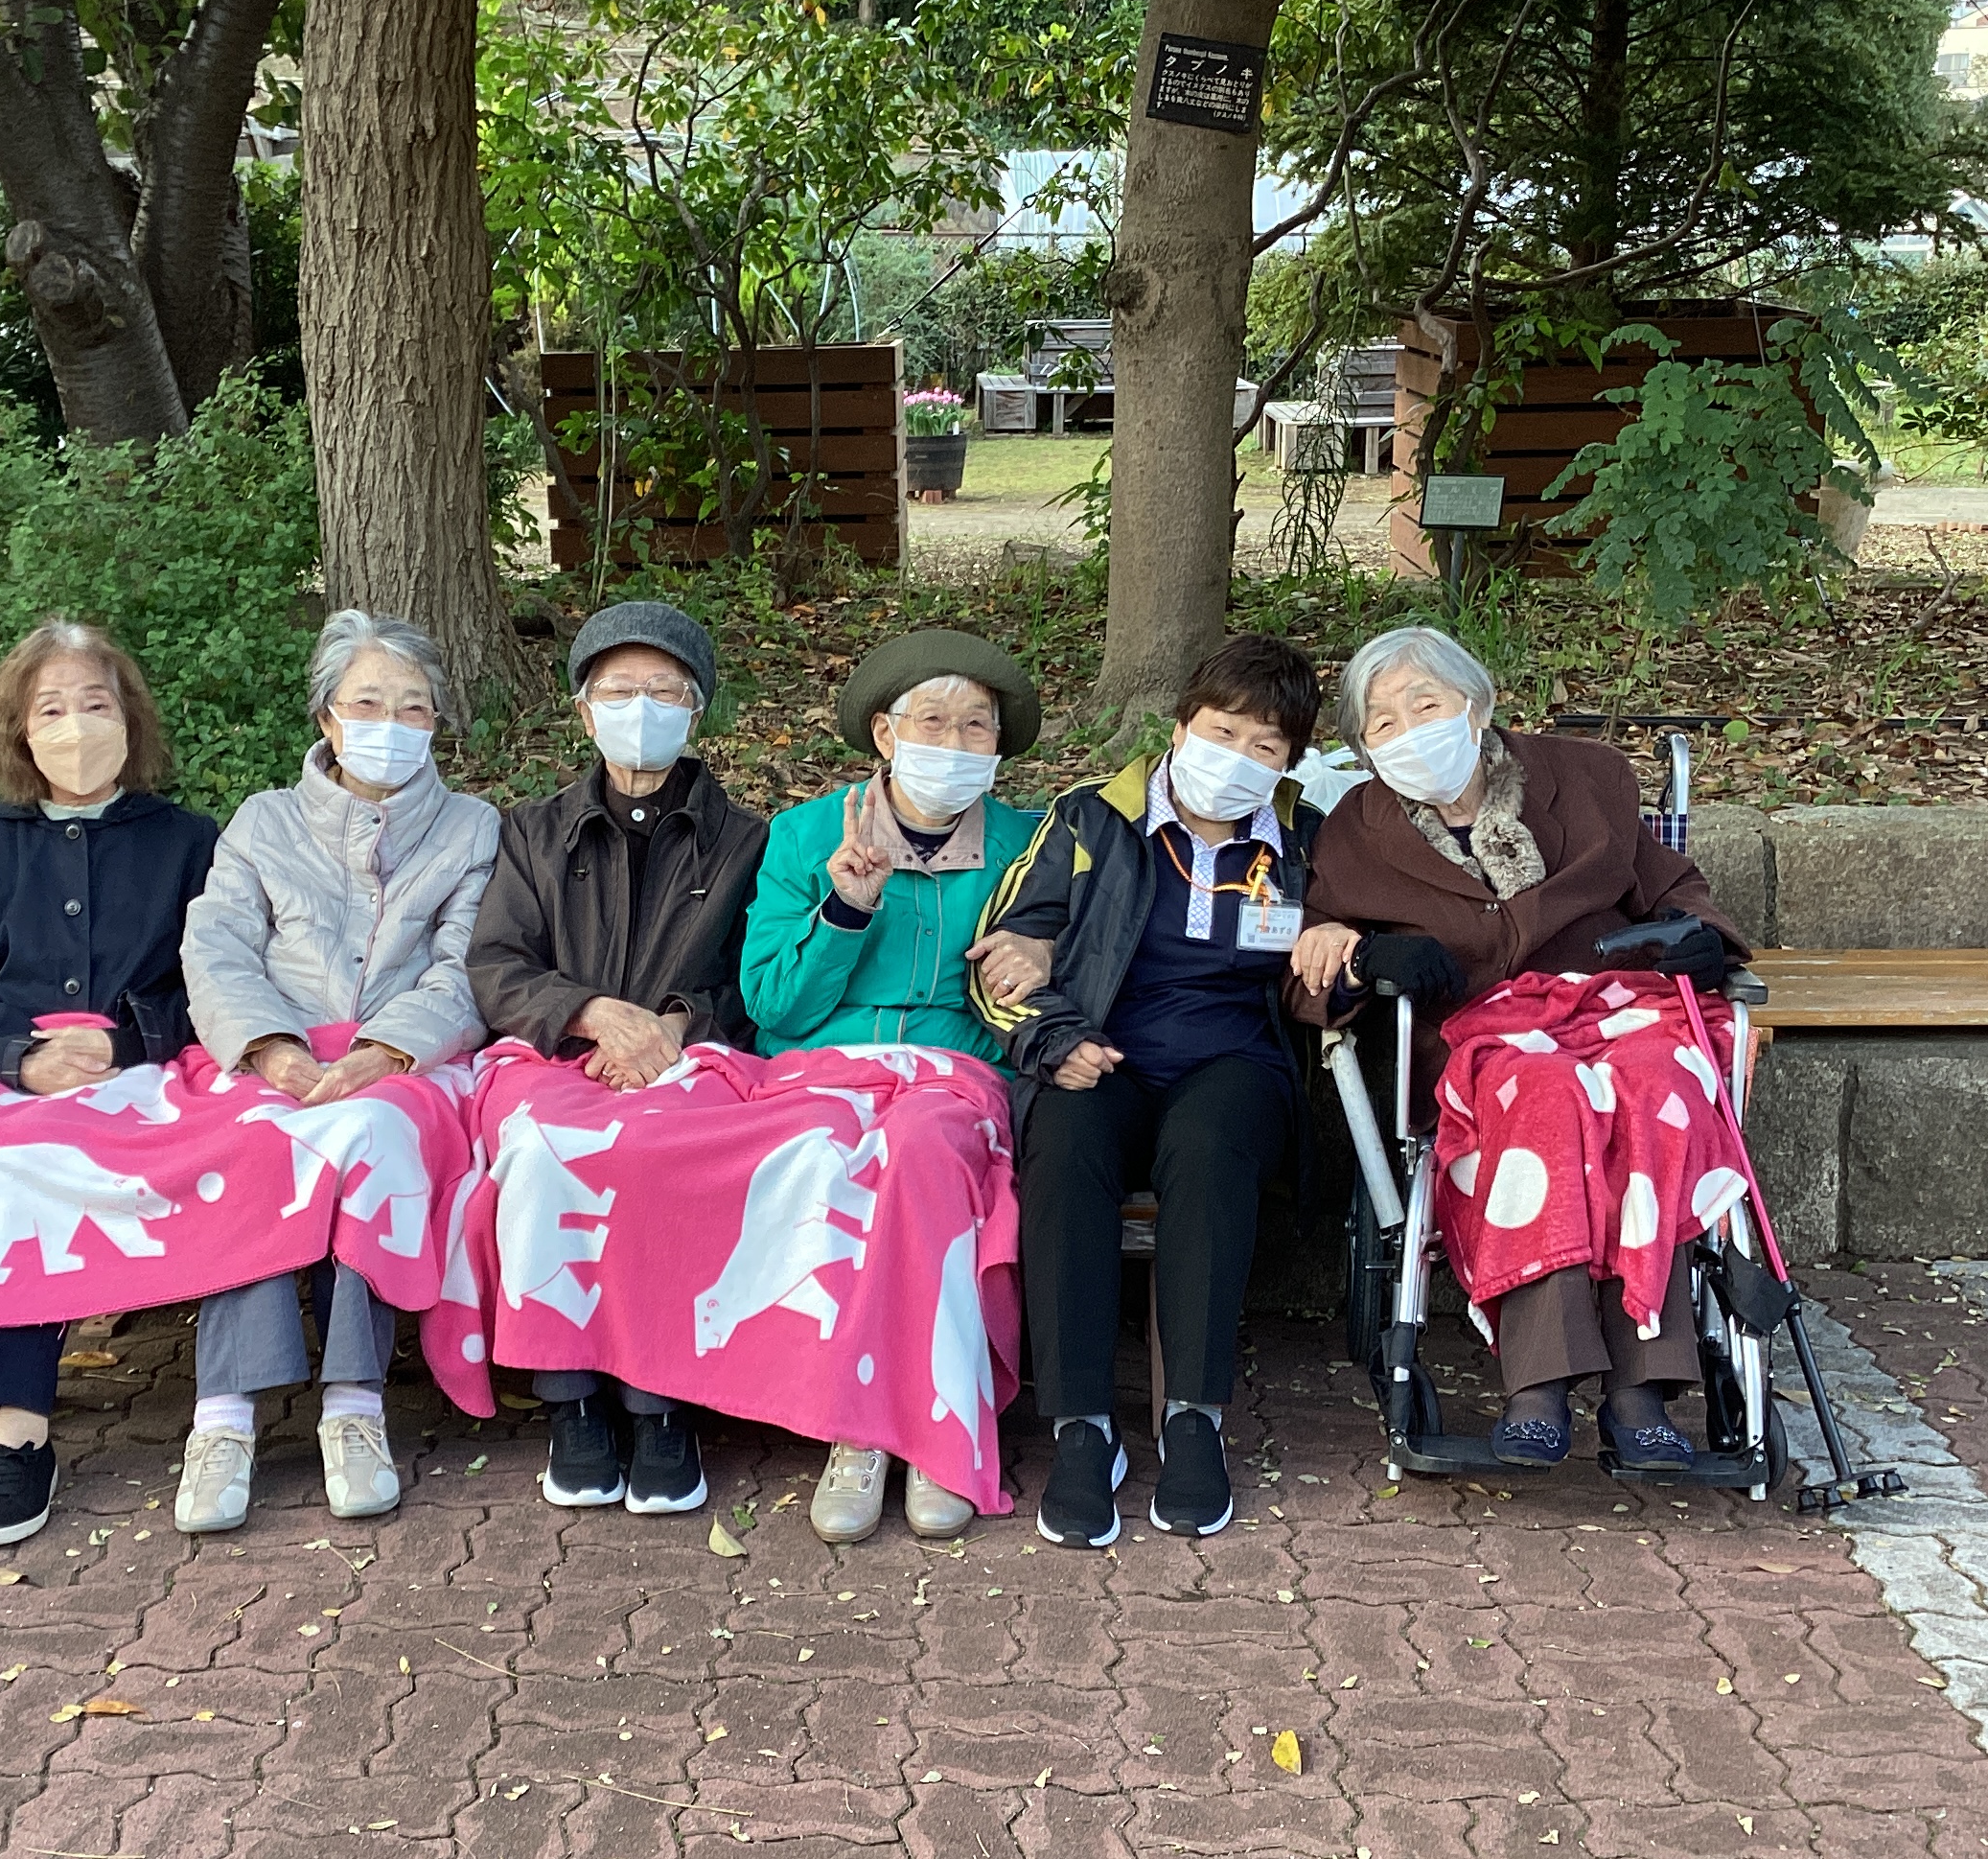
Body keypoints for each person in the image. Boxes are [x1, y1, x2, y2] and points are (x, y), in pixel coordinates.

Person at [1290, 623, 1748, 1472]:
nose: (1408, 731)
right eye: (1381, 723)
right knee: (1540, 1095)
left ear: (1478, 704)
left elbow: (1674, 888)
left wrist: (1704, 938)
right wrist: (1361, 955)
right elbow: (1311, 961)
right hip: (1482, 1031)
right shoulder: (1357, 827)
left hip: (1615, 1004)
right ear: (1363, 749)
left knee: (1655, 1087)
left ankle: (1640, 1389)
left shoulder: (1586, 779)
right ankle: (1538, 1383)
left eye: (1425, 704)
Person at [972, 634, 1326, 1548]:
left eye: (1267, 747)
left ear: (1291, 763)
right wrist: (1055, 1039)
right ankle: (1082, 1428)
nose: (1238, 760)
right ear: (1180, 727)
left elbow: (1343, 957)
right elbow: (1001, 956)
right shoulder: (1090, 822)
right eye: (1222, 732)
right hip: (1102, 1050)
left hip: (1235, 1060)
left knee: (1211, 1149)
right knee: (1067, 1144)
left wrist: (1344, 963)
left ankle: (1194, 1421)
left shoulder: (1305, 842)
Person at [0, 619, 219, 1550]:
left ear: (129, 717)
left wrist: (126, 1044)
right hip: (2, 1066)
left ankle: (22, 1427)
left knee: (34, 1161)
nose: (76, 725)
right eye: (52, 708)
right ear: (19, 730)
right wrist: (20, 1060)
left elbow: (210, 981)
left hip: (135, 1071)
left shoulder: (188, 840)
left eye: (94, 702)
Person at [174, 611, 499, 1533]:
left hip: (407, 1062)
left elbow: (464, 965)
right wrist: (270, 1047)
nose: (389, 723)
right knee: (258, 1143)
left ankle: (354, 1404)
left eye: (413, 708)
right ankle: (223, 1417)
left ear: (436, 724)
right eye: (367, 702)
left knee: (366, 1140)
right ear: (327, 716)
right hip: (271, 1052)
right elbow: (219, 948)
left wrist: (385, 1051)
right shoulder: (263, 821)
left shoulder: (474, 828)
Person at [739, 628, 1042, 1542]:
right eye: (932, 723)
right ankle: (859, 1430)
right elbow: (774, 1003)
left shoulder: (1033, 844)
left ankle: (938, 1431)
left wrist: (1043, 950)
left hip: (958, 1072)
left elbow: (1076, 969)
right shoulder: (803, 835)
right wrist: (845, 908)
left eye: (976, 728)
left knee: (920, 1150)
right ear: (884, 732)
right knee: (831, 1154)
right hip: (823, 1067)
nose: (953, 746)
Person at [467, 600, 768, 1517]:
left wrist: (677, 1025)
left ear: (698, 709)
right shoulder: (531, 831)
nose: (643, 708)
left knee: (665, 1154)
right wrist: (592, 1013)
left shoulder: (749, 837)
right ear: (584, 712)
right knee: (541, 1153)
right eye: (620, 691)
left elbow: (759, 979)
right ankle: (572, 1399)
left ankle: (659, 1398)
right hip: (559, 1058)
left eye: (665, 691)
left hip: (690, 1061)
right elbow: (495, 964)